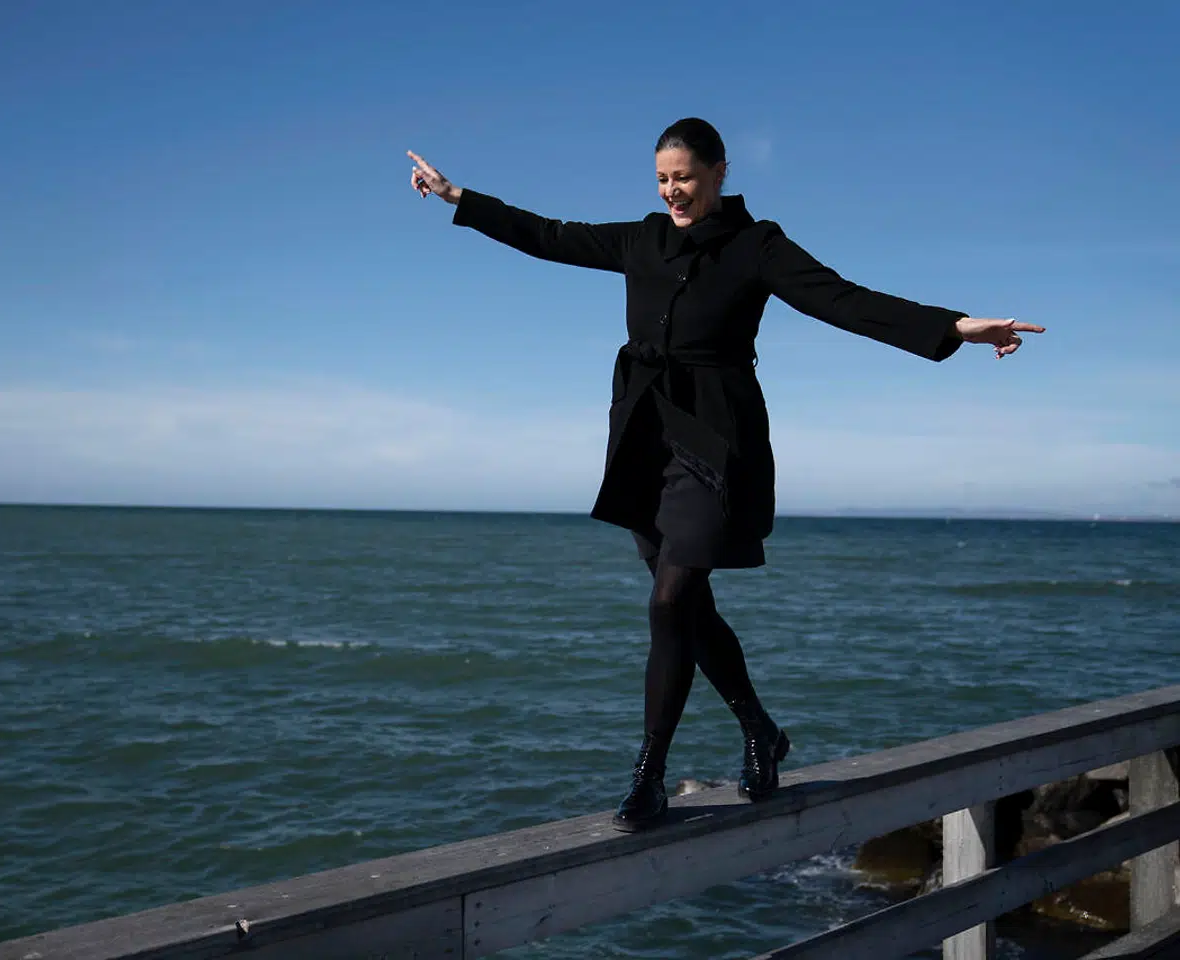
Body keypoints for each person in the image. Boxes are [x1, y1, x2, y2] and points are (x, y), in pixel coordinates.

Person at [406, 118, 1044, 832]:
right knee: (685, 607)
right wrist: (458, 195)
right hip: (645, 437)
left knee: (670, 598)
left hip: (716, 441)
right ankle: (761, 731)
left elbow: (841, 299)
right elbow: (548, 234)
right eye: (661, 179)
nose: (672, 191)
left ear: (718, 172)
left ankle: (647, 775)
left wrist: (953, 326)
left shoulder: (756, 246)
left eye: (683, 176)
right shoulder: (640, 239)